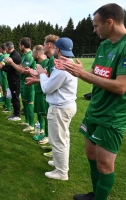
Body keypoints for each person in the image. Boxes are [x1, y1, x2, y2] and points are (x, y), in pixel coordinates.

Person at [59, 4, 126, 200]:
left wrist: (82, 75)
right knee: (90, 153)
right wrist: (75, 69)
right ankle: (95, 194)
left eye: (96, 26)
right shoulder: (104, 45)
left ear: (110, 22)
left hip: (112, 116)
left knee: (104, 164)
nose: (94, 30)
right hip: (94, 110)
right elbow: (97, 74)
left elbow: (121, 87)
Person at [36, 37, 77, 181]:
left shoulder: (62, 68)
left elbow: (47, 88)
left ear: (58, 49)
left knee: (58, 140)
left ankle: (61, 172)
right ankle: (60, 162)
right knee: (64, 138)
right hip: (66, 106)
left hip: (59, 108)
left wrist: (41, 73)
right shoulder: (68, 63)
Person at [0, 41, 22, 121]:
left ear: (6, 48)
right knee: (13, 97)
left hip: (15, 79)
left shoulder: (15, 56)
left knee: (15, 97)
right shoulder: (12, 55)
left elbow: (11, 69)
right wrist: (1, 66)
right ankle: (14, 113)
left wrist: (1, 67)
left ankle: (17, 115)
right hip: (12, 79)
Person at [27, 45, 49, 140]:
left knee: (46, 114)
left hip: (43, 92)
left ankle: (47, 136)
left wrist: (35, 80)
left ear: (37, 53)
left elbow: (47, 78)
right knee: (40, 112)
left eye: (33, 53)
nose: (32, 54)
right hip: (38, 90)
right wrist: (33, 75)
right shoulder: (38, 63)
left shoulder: (47, 62)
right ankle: (41, 131)